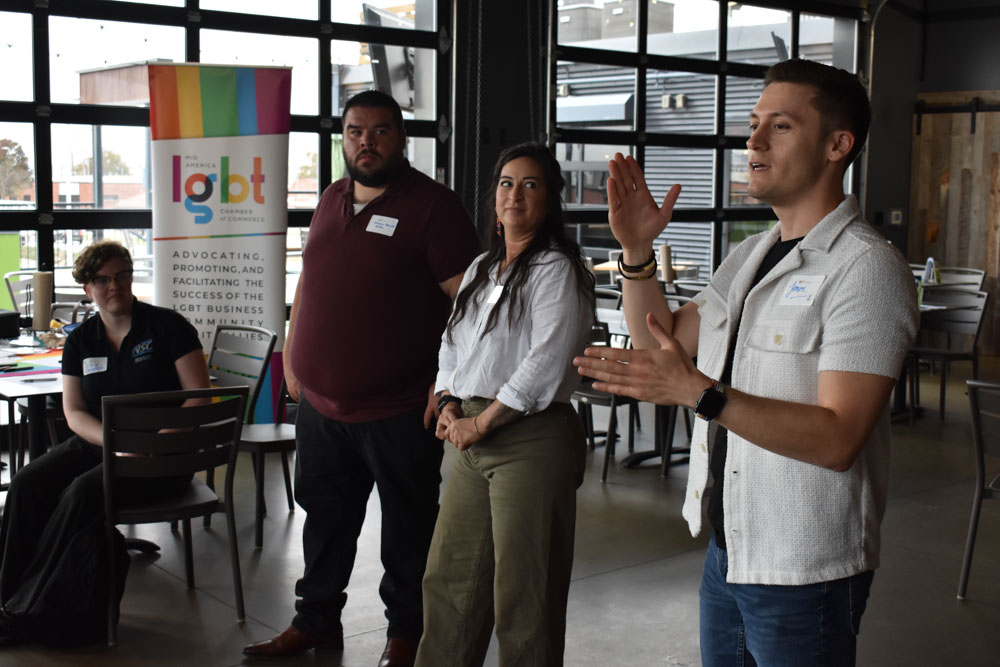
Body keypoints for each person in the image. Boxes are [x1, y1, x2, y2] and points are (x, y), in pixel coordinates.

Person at [573, 59, 919, 666]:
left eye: (780, 127)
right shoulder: (751, 254)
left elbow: (840, 437)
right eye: (754, 124)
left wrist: (701, 394)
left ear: (840, 145)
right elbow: (663, 340)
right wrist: (636, 251)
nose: (753, 141)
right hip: (729, 546)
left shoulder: (866, 269)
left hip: (805, 566)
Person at [243, 90, 480, 667]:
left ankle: (406, 635)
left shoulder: (434, 206)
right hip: (323, 409)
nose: (365, 142)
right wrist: (294, 356)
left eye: (378, 131)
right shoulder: (331, 198)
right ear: (342, 138)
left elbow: (472, 306)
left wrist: (444, 381)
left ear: (400, 138)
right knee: (323, 523)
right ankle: (315, 622)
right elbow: (309, 284)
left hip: (400, 409)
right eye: (354, 131)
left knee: (407, 527)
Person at [414, 143, 594, 667]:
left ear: (551, 200)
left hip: (529, 437)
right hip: (468, 430)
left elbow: (549, 360)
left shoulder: (557, 269)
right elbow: (451, 345)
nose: (515, 194)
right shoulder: (479, 269)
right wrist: (448, 401)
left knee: (525, 594)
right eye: (506, 183)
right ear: (494, 198)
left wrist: (483, 422)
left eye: (531, 184)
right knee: (450, 582)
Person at [0, 240, 210, 646]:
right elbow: (75, 411)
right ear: (87, 288)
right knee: (28, 481)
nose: (113, 286)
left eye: (121, 275)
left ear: (132, 277)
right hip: (103, 445)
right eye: (102, 279)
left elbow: (199, 398)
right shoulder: (81, 340)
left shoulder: (168, 326)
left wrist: (153, 446)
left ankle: (25, 613)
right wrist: (113, 446)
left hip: (163, 456)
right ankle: (7, 597)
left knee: (81, 492)